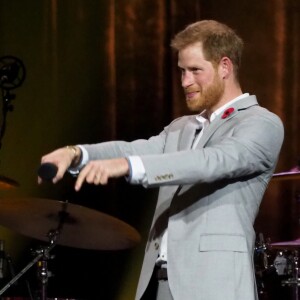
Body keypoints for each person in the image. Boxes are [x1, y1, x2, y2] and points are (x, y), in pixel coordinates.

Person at [39, 20, 284, 300]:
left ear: (225, 66)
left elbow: (213, 161)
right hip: (162, 283)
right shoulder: (182, 127)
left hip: (216, 284)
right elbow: (135, 148)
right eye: (182, 71)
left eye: (195, 71)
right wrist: (77, 154)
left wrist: (131, 166)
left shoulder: (261, 123)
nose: (185, 82)